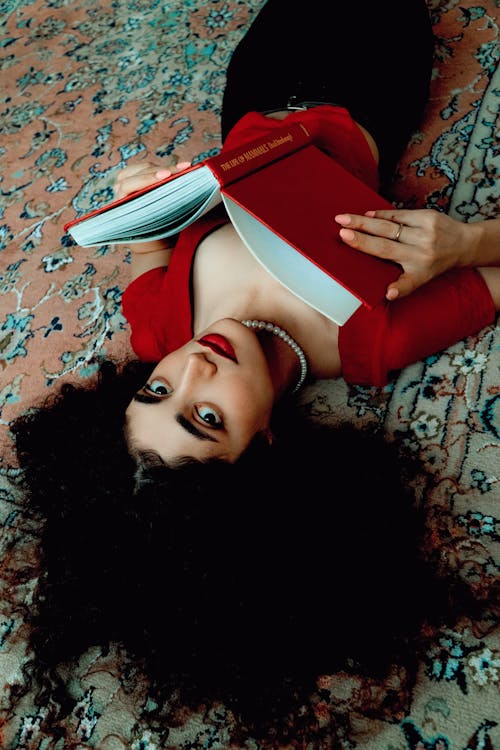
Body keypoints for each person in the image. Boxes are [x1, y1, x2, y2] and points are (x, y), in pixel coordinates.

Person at [10, 0, 499, 744]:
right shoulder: (370, 335)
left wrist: (142, 200)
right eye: (208, 419)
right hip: (370, 78)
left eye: (158, 390)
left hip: (255, 89)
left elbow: (149, 252)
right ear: (265, 448)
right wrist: (465, 245)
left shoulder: (162, 332)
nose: (194, 369)